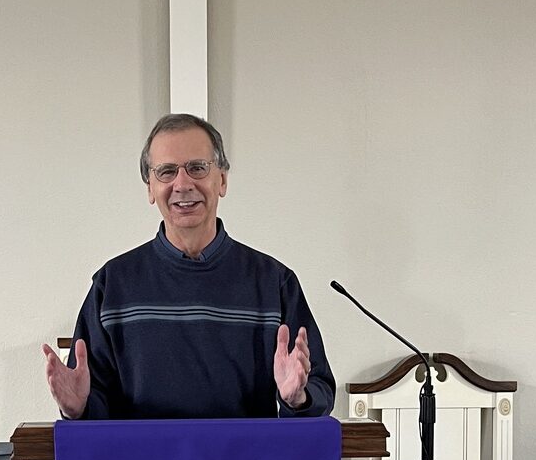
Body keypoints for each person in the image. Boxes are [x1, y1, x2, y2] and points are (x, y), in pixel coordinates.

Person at [43, 113, 335, 420]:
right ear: (150, 188)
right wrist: (79, 408)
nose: (182, 184)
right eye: (167, 172)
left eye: (197, 168)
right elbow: (96, 399)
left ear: (221, 179)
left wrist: (298, 398)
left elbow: (320, 389)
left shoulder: (275, 283)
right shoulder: (112, 284)